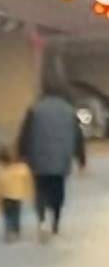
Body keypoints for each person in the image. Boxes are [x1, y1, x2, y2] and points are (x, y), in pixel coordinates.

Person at [17, 81, 86, 243]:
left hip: (38, 157)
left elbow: (25, 133)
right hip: (61, 158)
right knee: (57, 189)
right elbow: (78, 136)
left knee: (40, 189)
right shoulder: (69, 111)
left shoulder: (34, 109)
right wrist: (81, 158)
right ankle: (55, 221)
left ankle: (41, 220)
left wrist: (21, 153)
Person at [0, 146, 32, 243]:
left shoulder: (1, 169)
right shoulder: (21, 168)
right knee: (16, 214)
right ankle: (16, 230)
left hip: (5, 196)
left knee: (7, 215)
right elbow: (27, 176)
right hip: (17, 196)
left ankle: (9, 230)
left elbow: (0, 183)